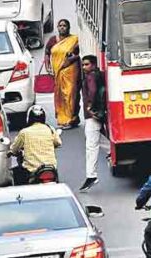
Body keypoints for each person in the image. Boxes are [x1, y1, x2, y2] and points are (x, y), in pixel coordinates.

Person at [9, 105, 62, 184]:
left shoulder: (24, 132)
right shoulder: (50, 129)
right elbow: (58, 143)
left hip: (32, 170)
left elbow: (14, 149)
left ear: (29, 118)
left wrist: (10, 152)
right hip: (51, 167)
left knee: (15, 174)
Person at [45, 20, 80, 129]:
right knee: (59, 96)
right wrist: (48, 67)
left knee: (70, 94)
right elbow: (47, 53)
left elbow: (79, 54)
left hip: (70, 71)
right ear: (57, 27)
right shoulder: (52, 40)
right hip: (57, 72)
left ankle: (71, 119)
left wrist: (71, 59)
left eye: (64, 26)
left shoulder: (74, 40)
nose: (62, 28)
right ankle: (62, 119)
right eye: (60, 26)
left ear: (68, 27)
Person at [79, 55, 107, 191]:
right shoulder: (100, 75)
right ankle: (111, 153)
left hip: (92, 115)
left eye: (87, 64)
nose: (84, 67)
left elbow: (93, 91)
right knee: (97, 139)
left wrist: (90, 106)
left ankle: (91, 175)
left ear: (94, 64)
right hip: (100, 113)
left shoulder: (90, 77)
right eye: (83, 65)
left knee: (91, 145)